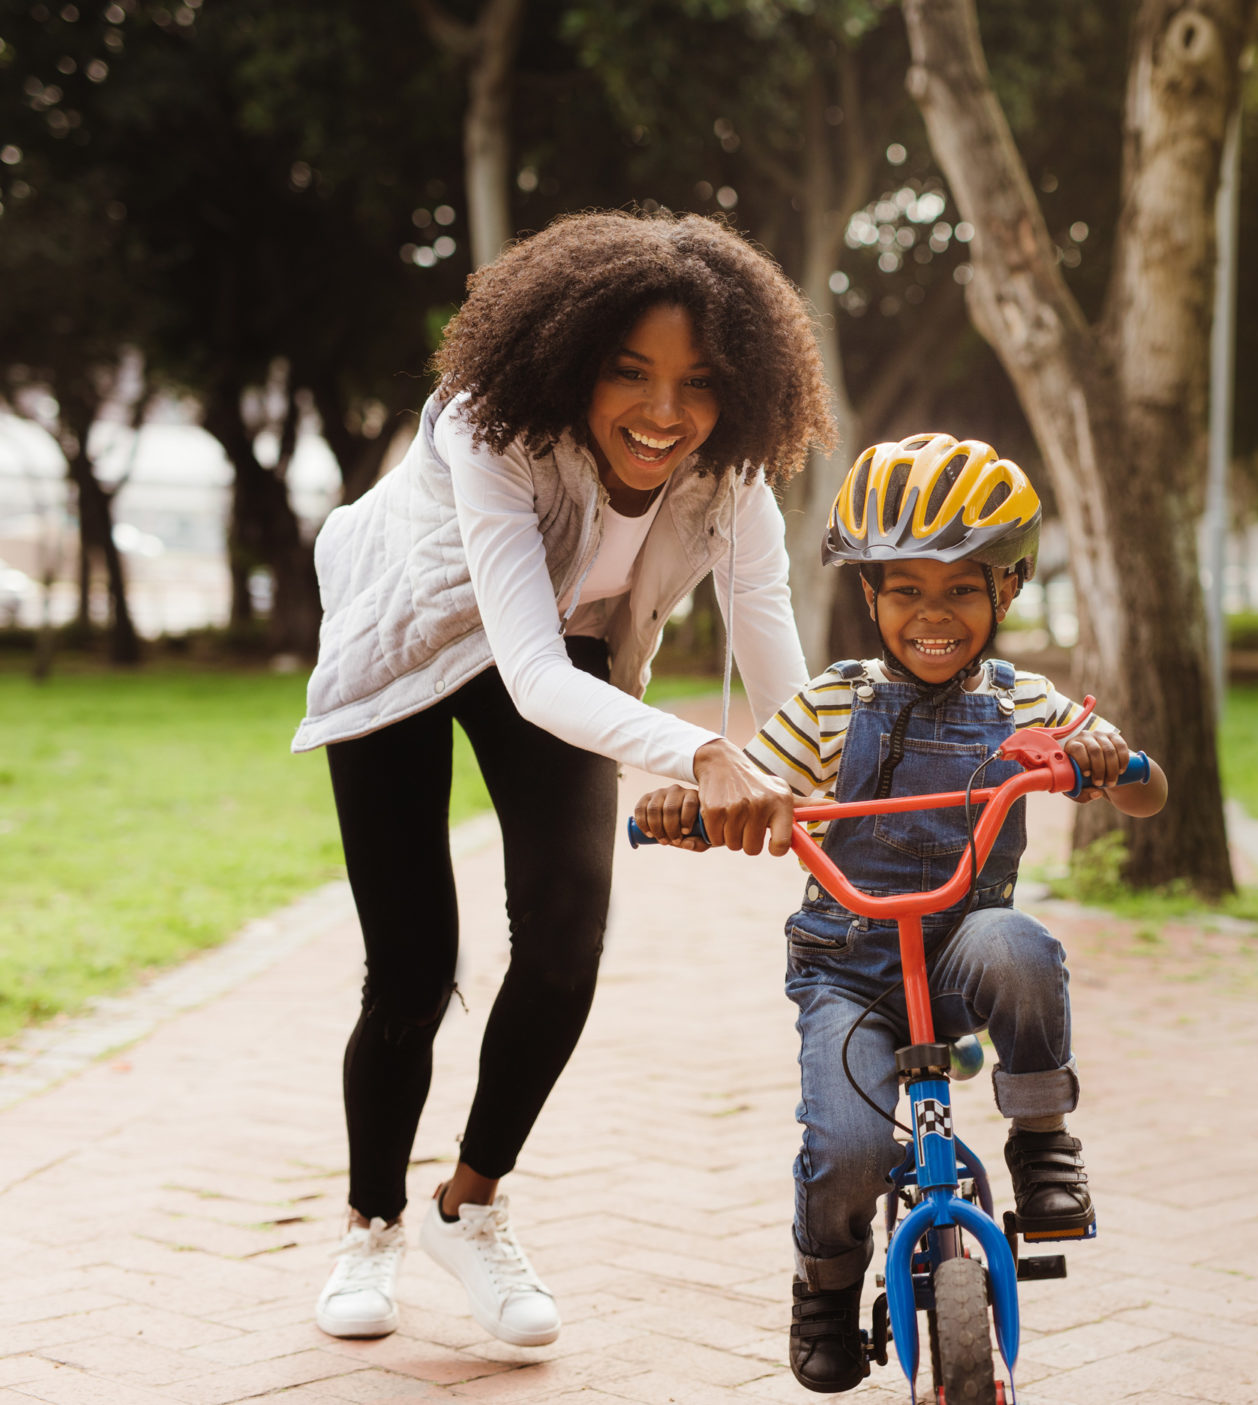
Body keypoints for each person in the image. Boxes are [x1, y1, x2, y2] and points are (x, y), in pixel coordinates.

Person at [292, 210, 835, 1346]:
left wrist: (818, 776)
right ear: (570, 362)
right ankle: (371, 1223)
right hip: (407, 644)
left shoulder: (732, 481)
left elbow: (774, 649)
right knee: (412, 964)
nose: (663, 412)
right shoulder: (491, 432)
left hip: (561, 647)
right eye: (629, 373)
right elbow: (531, 674)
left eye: (697, 383)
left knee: (565, 931)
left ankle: (469, 1205)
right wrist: (701, 749)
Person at [632, 432, 1168, 1393]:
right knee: (844, 1151)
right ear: (870, 596)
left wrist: (1105, 761)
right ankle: (827, 1287)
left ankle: (1042, 1141)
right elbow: (755, 779)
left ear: (1005, 593)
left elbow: (1148, 792)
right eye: (906, 589)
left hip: (963, 950)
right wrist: (698, 803)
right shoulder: (836, 703)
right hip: (850, 968)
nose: (933, 614)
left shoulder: (1026, 704)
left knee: (1023, 945)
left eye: (961, 589)